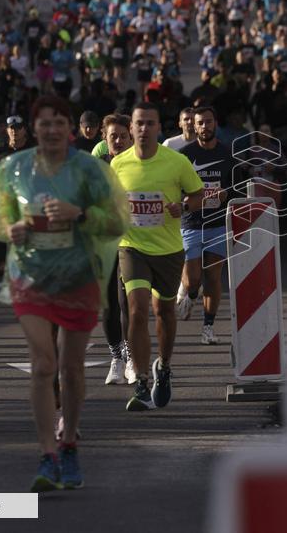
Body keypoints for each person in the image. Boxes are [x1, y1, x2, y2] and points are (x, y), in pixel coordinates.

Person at [0, 95, 128, 492]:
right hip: (30, 278)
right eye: (43, 123)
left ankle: (70, 442)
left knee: (72, 369)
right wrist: (8, 228)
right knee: (44, 364)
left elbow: (116, 221)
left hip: (78, 276)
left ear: (70, 129)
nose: (51, 129)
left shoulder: (89, 171)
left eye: (59, 122)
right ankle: (47, 455)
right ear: (33, 128)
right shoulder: (15, 169)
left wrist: (78, 214)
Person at [110, 103, 203, 411]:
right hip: (132, 247)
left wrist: (184, 207)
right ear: (132, 127)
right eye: (139, 123)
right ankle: (139, 380)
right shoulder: (119, 164)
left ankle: (163, 367)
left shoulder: (176, 162)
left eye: (150, 123)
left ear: (158, 127)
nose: (144, 129)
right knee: (136, 309)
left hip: (168, 250)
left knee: (164, 313)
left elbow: (198, 195)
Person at [178, 106, 241, 345]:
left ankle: (208, 328)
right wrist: (189, 199)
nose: (205, 127)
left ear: (215, 124)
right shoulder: (184, 155)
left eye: (208, 122)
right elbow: (176, 188)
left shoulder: (227, 155)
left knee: (213, 278)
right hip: (192, 224)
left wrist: (226, 194)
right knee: (193, 278)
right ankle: (189, 293)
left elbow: (238, 187)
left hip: (217, 223)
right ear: (194, 127)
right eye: (200, 123)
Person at [94, 114, 135, 386]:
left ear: (130, 137)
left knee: (126, 301)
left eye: (123, 135)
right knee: (108, 304)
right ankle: (116, 358)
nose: (118, 141)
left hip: (132, 243)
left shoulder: (139, 165)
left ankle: (131, 357)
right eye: (113, 136)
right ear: (105, 140)